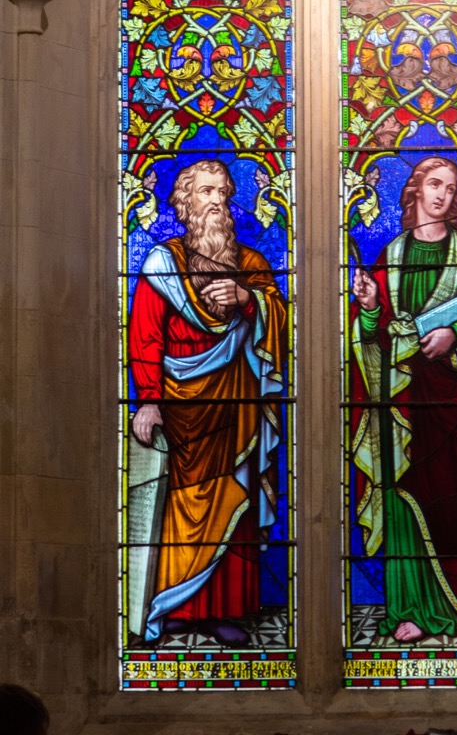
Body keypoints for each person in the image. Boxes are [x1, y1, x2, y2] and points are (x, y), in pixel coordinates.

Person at [351, 156, 457, 643]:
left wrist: (455, 333)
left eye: (452, 187)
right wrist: (371, 308)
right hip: (403, 403)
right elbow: (372, 341)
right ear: (415, 191)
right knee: (405, 498)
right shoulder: (390, 258)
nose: (443, 195)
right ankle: (411, 607)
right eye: (434, 184)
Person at [129, 160, 287, 646]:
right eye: (204, 192)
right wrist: (149, 400)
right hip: (179, 409)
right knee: (178, 504)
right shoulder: (163, 263)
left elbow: (280, 323)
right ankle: (176, 605)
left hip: (236, 406)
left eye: (222, 191)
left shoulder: (254, 265)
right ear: (184, 203)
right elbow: (145, 336)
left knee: (234, 500)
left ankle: (229, 610)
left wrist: (248, 299)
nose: (216, 200)